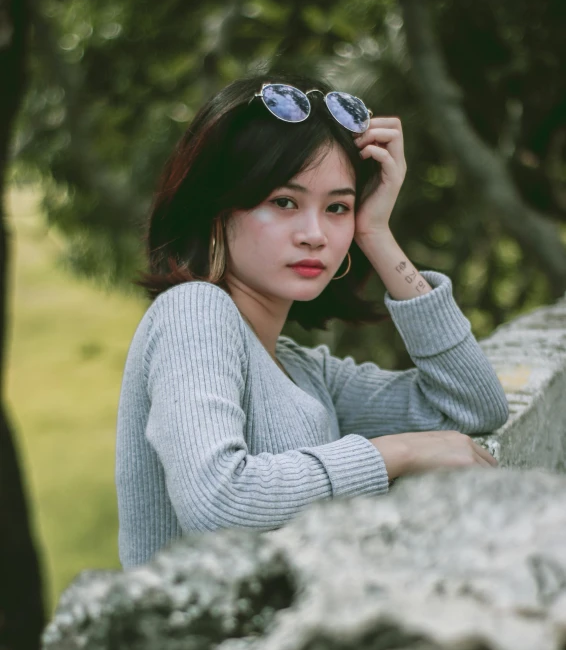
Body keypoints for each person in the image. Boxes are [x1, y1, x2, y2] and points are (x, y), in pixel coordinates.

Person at [115, 72, 508, 569]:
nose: (315, 234)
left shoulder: (304, 373)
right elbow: (217, 499)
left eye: (337, 207)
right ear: (218, 211)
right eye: (284, 202)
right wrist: (395, 452)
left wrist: (376, 231)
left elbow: (473, 406)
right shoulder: (193, 310)